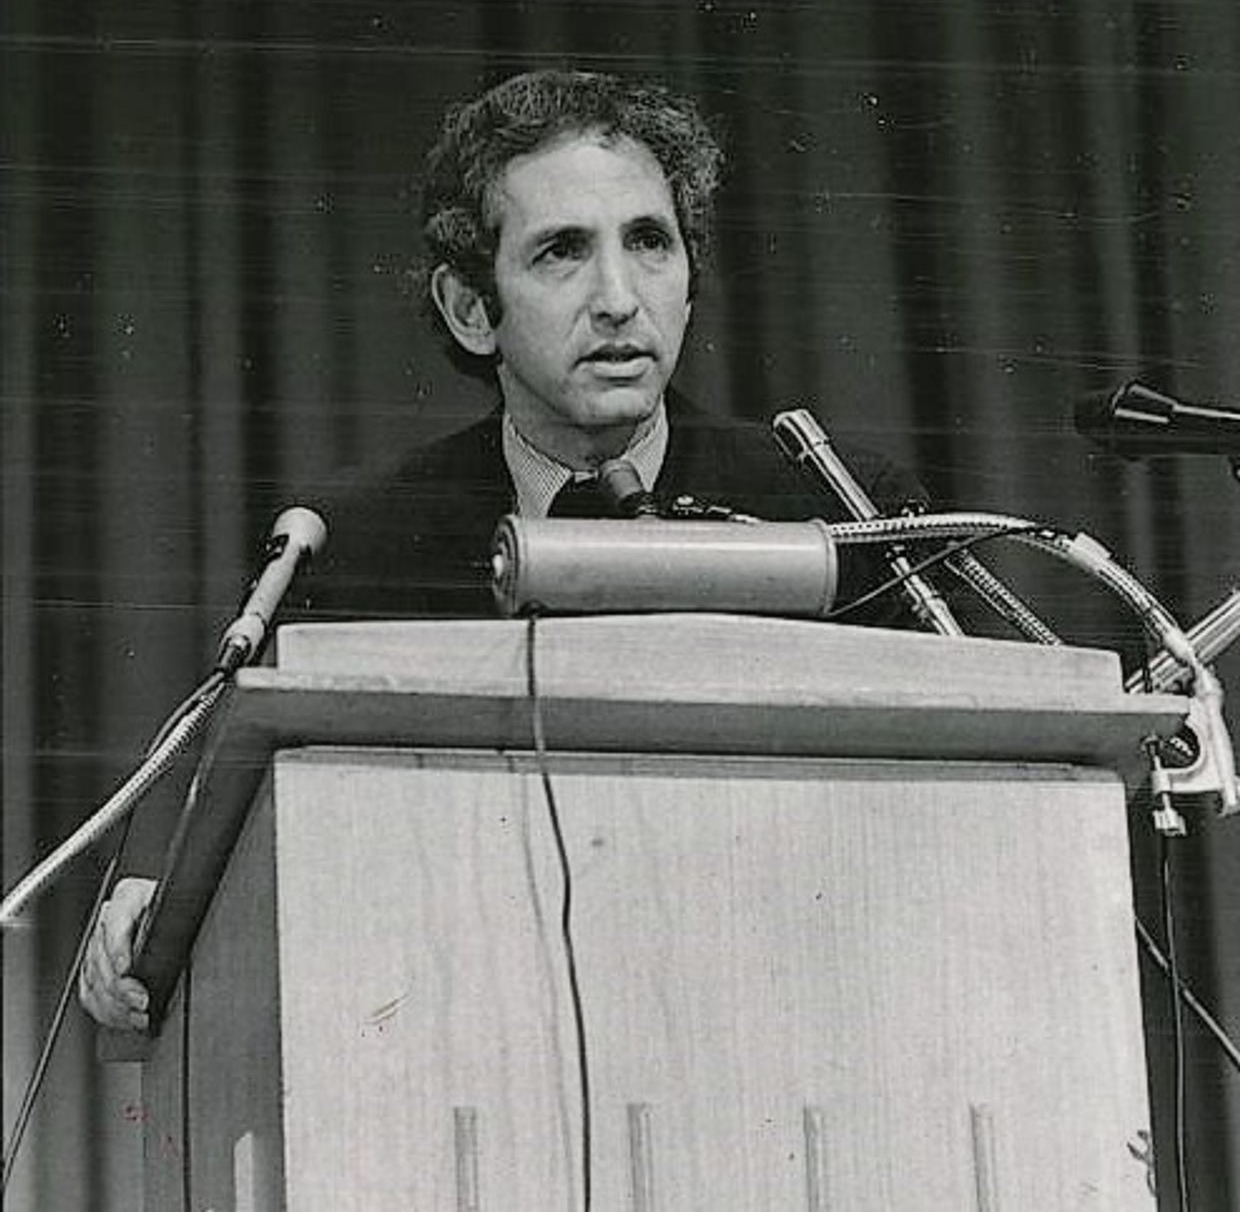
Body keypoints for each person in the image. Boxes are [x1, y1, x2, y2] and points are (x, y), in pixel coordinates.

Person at [79, 67, 926, 1030]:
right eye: (563, 252)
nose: (620, 298)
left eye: (649, 242)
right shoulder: (355, 545)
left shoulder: (839, 511)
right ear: (470, 309)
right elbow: (245, 839)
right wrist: (161, 902)